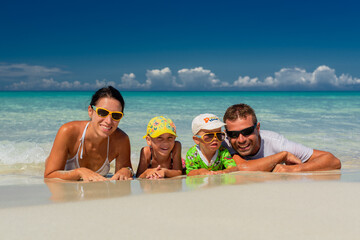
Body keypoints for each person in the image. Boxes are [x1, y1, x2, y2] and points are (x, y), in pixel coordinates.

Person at [44, 86, 133, 181]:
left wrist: (126, 171)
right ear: (90, 111)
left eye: (116, 115)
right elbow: (49, 175)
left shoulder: (121, 140)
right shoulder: (68, 132)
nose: (109, 121)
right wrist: (80, 172)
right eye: (102, 112)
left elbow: (124, 174)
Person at [222, 104, 341, 172]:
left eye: (247, 131)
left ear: (257, 128)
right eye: (233, 134)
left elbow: (333, 161)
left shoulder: (276, 143)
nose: (241, 140)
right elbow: (243, 168)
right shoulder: (225, 144)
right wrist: (282, 156)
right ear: (226, 134)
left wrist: (295, 169)